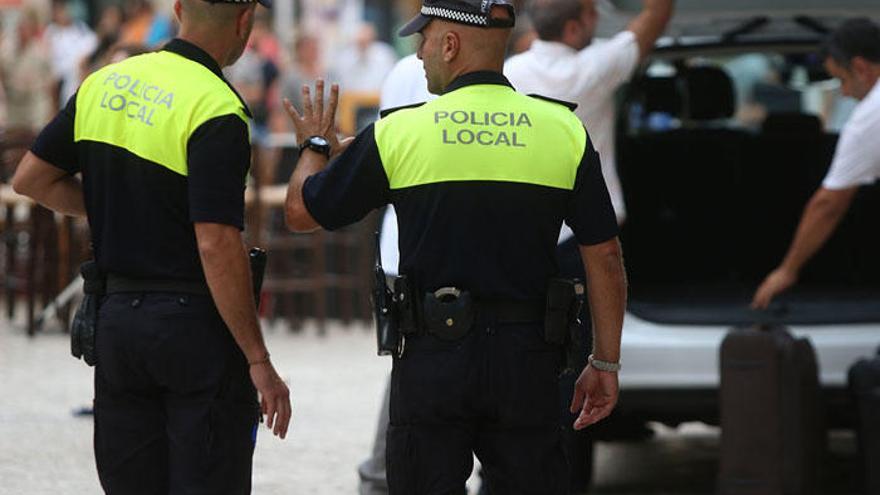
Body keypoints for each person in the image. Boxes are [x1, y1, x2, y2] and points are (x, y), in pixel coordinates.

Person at [283, 0, 627, 492]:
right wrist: (605, 362)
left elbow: (300, 214)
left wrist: (315, 149)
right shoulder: (564, 130)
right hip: (528, 360)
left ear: (450, 43)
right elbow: (605, 255)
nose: (418, 52)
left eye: (423, 39)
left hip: (432, 361)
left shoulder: (400, 132)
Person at [11, 0, 291, 492]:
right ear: (246, 20)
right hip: (192, 329)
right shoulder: (216, 105)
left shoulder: (103, 83)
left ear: (180, 8)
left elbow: (31, 178)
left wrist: (111, 207)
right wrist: (258, 359)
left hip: (117, 321)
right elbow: (216, 241)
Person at [505, 0, 675, 225]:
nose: (598, 17)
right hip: (592, 229)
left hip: (531, 226)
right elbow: (657, 14)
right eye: (592, 13)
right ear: (572, 28)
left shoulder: (509, 72)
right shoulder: (593, 70)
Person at [752, 18, 880, 310]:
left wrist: (787, 270)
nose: (844, 93)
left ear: (860, 68)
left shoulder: (871, 116)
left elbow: (828, 205)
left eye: (843, 80)